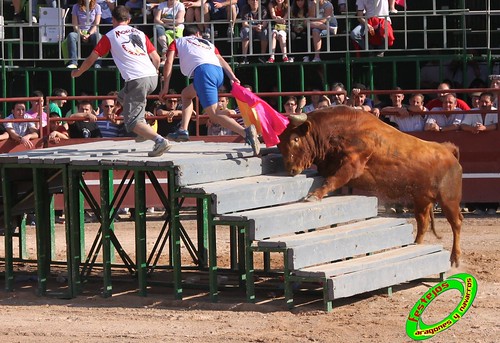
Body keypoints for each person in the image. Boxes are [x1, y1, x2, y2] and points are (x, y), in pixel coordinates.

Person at [72, 5, 171, 157]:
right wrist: (154, 72)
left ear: (112, 20)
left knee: (131, 122)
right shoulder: (139, 33)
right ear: (129, 20)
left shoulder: (110, 36)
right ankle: (142, 129)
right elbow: (156, 58)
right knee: (121, 97)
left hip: (137, 80)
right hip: (152, 77)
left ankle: (158, 140)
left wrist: (78, 72)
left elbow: (92, 58)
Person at [159, 25, 260, 156]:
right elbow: (221, 60)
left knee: (214, 114)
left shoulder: (178, 41)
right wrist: (232, 76)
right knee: (186, 94)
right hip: (218, 73)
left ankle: (245, 132)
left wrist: (165, 86)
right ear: (198, 34)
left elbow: (169, 62)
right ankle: (183, 130)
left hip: (203, 72)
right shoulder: (208, 43)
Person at [66, 0, 103, 69]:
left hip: (92, 32)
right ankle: (73, 62)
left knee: (98, 36)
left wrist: (88, 34)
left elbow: (96, 25)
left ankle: (98, 63)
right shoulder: (75, 7)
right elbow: (75, 25)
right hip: (79, 32)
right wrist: (80, 33)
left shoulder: (97, 7)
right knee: (71, 36)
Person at [239, 0, 270, 65]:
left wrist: (261, 26)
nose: (255, 1)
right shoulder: (245, 8)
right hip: (250, 29)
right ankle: (244, 57)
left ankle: (262, 56)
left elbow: (265, 23)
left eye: (256, 0)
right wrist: (255, 27)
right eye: (253, 0)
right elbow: (244, 24)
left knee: (265, 31)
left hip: (259, 29)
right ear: (249, 1)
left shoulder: (263, 9)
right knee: (245, 31)